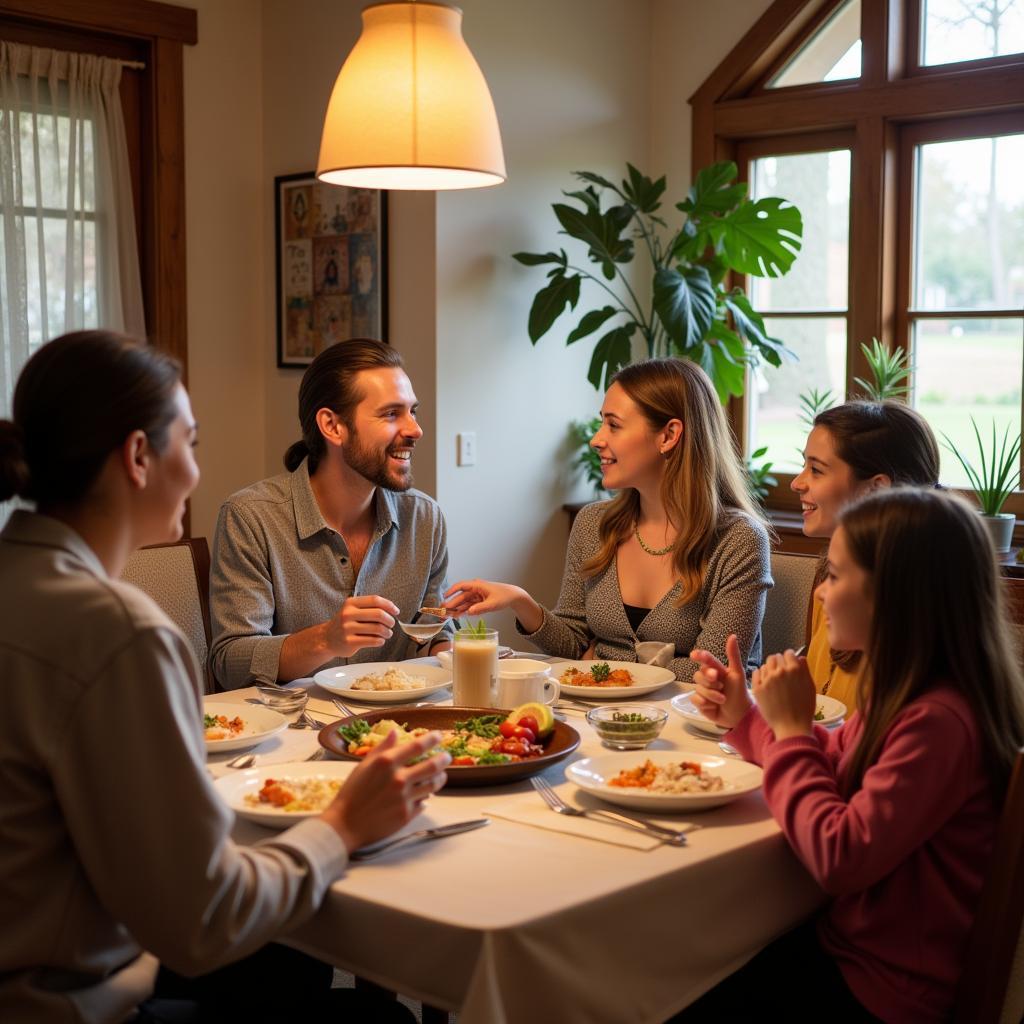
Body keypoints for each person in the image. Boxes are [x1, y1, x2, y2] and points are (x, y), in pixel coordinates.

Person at [0, 331, 450, 1022]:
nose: (198, 472)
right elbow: (207, 917)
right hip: (73, 1005)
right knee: (376, 1017)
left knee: (284, 962)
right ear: (139, 457)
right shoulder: (121, 632)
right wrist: (343, 825)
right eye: (192, 441)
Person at [683, 487, 1024, 1022]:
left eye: (836, 576)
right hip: (848, 954)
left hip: (884, 992)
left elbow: (838, 858)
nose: (819, 593)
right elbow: (835, 762)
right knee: (691, 968)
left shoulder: (939, 722)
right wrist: (746, 717)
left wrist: (793, 730)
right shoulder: (902, 697)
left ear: (895, 595)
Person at [445, 358, 772, 680]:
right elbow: (573, 646)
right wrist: (521, 601)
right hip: (601, 720)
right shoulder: (594, 524)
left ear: (669, 435)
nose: (597, 439)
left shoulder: (738, 540)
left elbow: (712, 673)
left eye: (613, 425)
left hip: (695, 728)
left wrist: (602, 663)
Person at [210, 338, 451, 689]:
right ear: (332, 426)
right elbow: (231, 663)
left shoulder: (425, 519)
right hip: (293, 733)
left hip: (401, 732)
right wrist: (325, 639)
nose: (415, 429)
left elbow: (434, 626)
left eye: (412, 411)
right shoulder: (250, 518)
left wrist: (451, 650)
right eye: (390, 413)